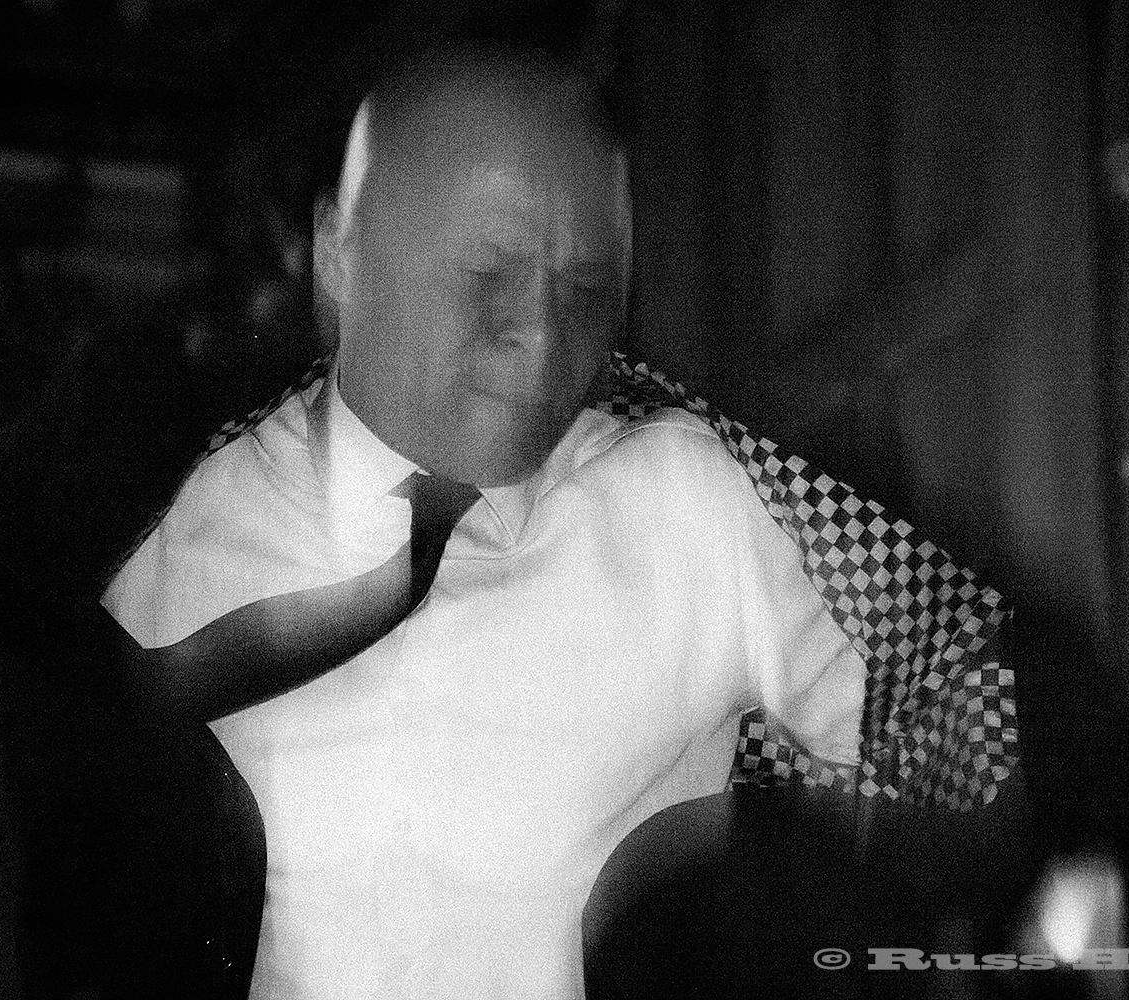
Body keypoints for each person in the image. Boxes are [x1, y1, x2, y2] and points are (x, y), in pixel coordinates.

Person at [101, 41, 878, 999]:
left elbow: (940, 780)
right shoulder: (181, 535)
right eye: (490, 275)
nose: (547, 338)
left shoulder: (690, 509)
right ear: (343, 254)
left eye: (586, 290)